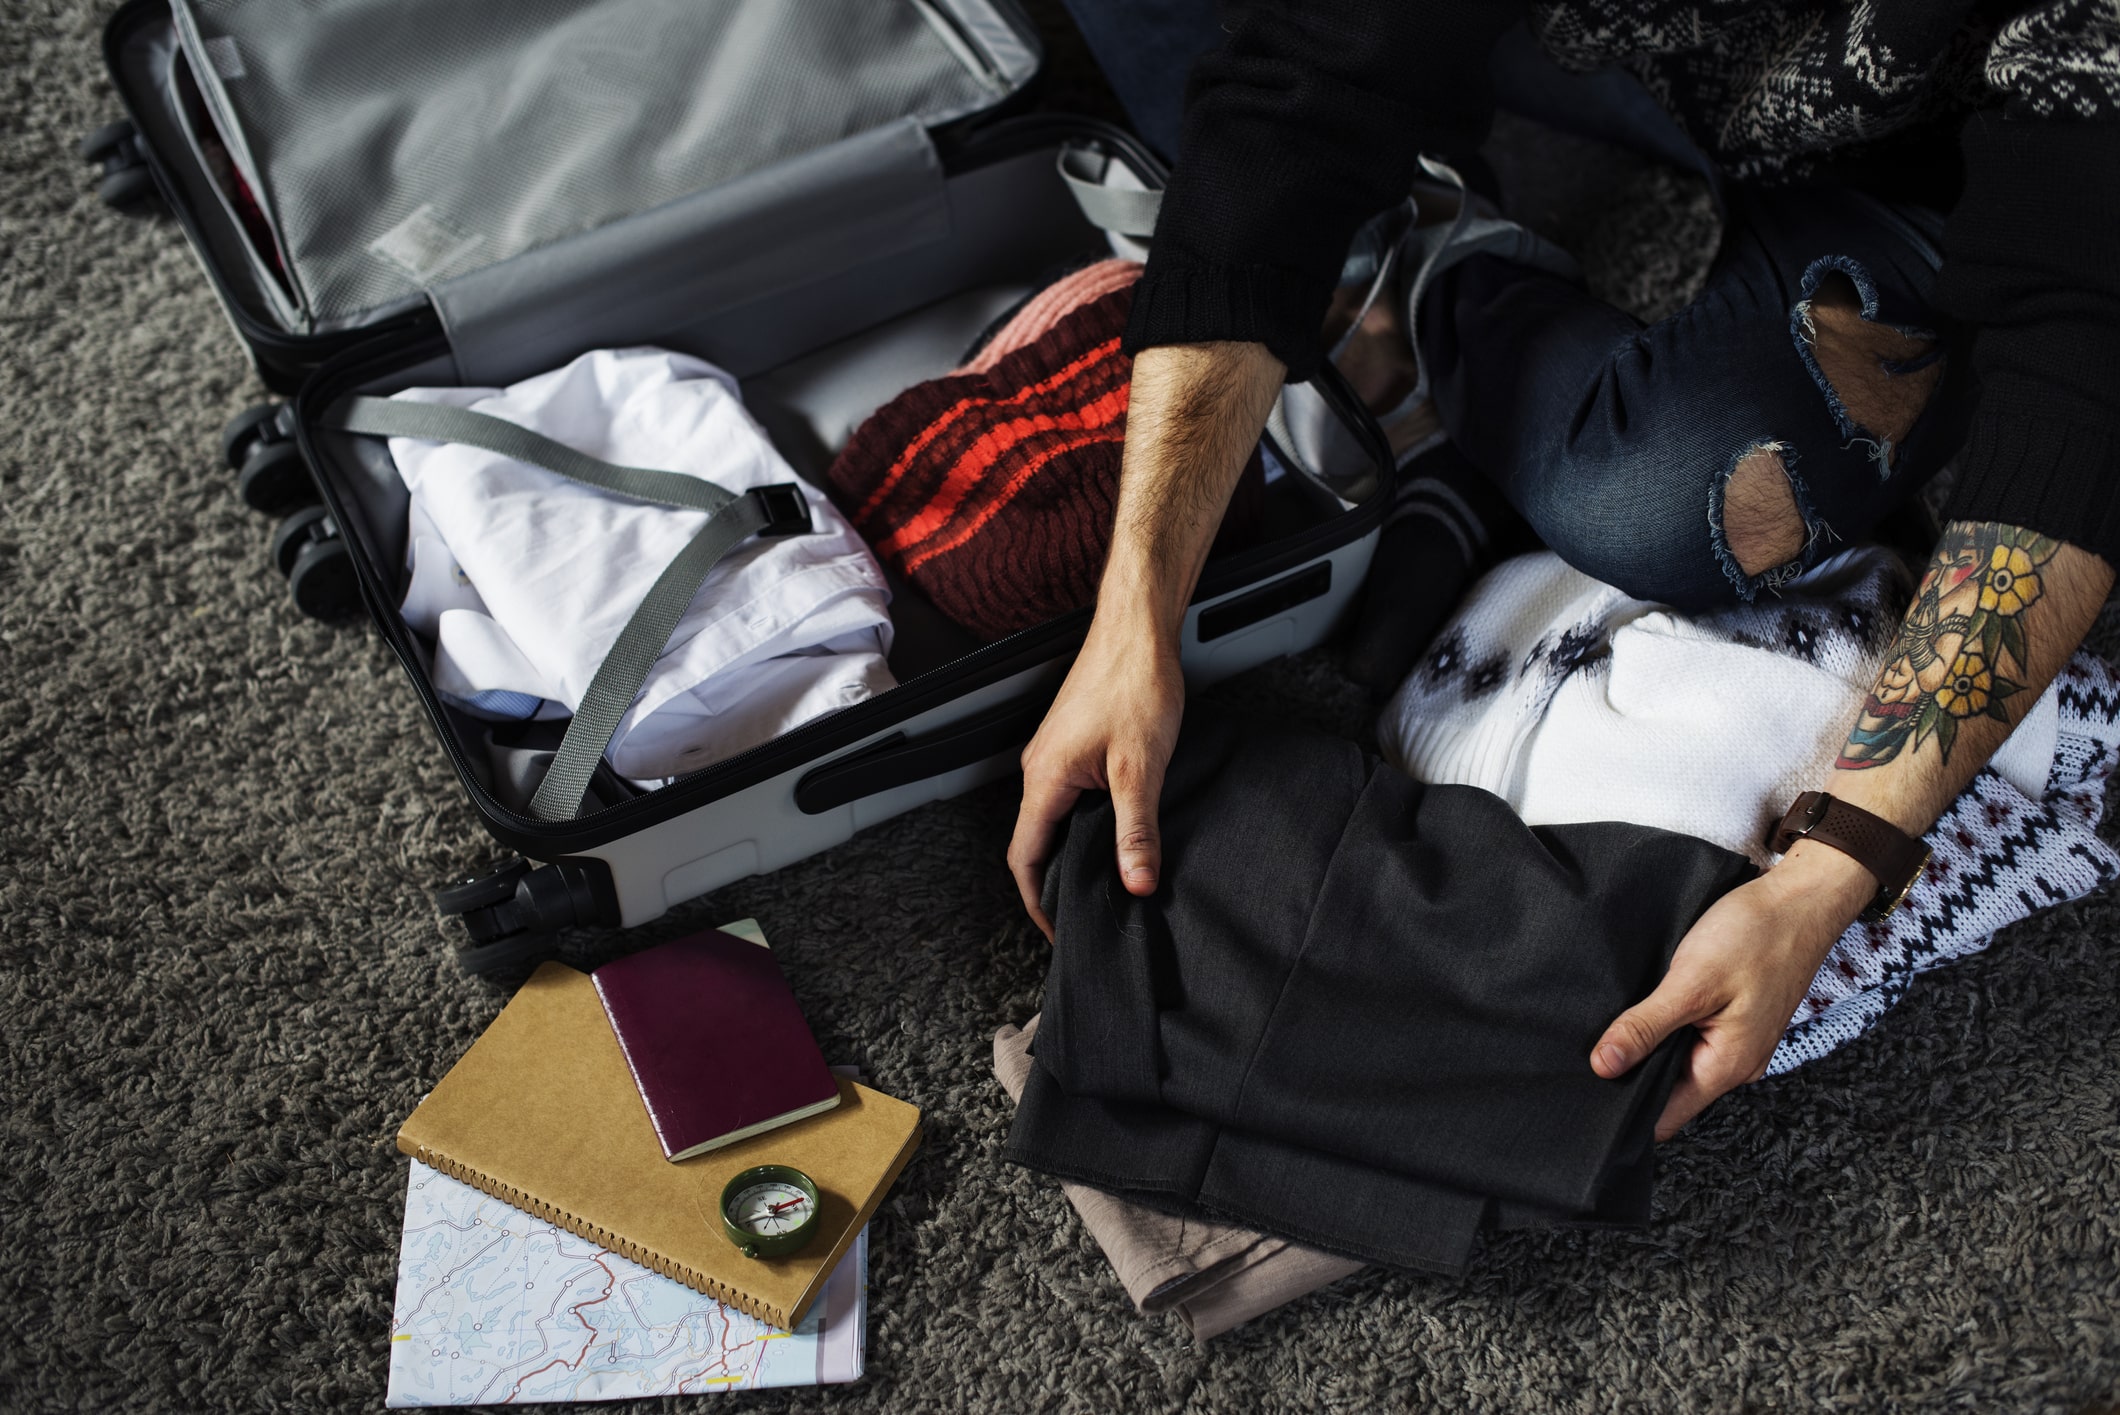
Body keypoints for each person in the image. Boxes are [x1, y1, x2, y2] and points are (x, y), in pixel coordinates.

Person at [1007, 1, 2120, 1139]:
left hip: (1966, 148)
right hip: (1667, 52)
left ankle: (1431, 268)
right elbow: (1296, 98)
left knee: (1670, 498)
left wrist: (1826, 875)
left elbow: (2080, 367)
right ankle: (1398, 228)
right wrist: (1132, 621)